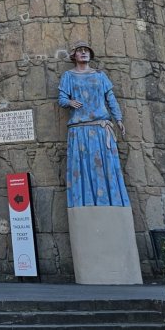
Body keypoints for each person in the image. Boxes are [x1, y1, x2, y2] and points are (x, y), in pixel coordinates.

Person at [57, 40, 130, 208]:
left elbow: (110, 98)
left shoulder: (100, 75)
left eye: (86, 50)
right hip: (79, 129)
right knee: (81, 170)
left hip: (100, 128)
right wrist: (69, 101)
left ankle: (112, 207)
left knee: (106, 169)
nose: (84, 53)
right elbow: (61, 99)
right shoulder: (68, 76)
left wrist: (118, 119)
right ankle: (85, 208)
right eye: (80, 50)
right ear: (74, 55)